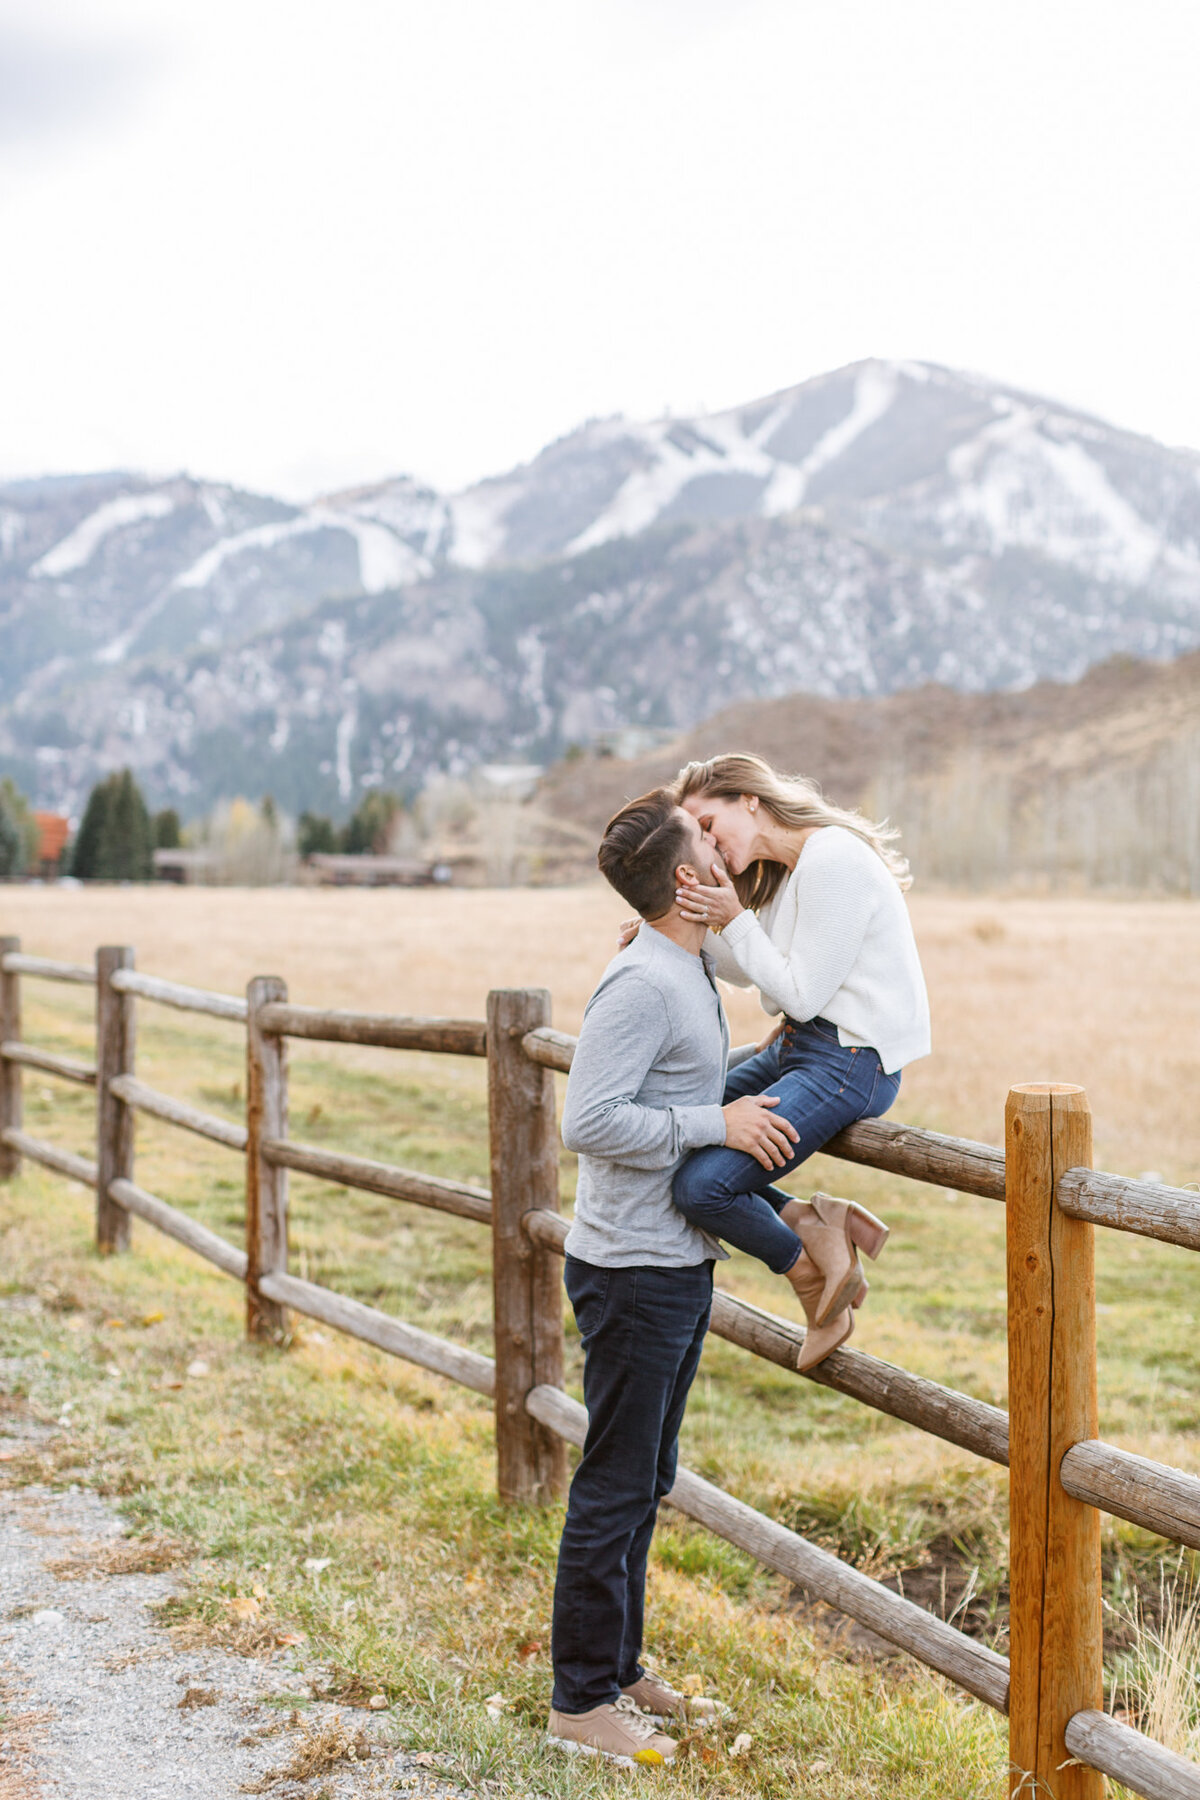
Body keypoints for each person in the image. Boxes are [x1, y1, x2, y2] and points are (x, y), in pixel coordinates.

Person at [547, 785, 857, 1765]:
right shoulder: (643, 983)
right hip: (632, 1269)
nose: (728, 850)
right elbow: (588, 1122)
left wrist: (768, 1073)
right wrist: (712, 1126)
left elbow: (669, 1090)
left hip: (671, 1262)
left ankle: (622, 1669)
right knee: (613, 1484)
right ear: (690, 880)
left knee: (648, 1476)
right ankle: (578, 1705)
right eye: (710, 842)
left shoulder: (687, 971)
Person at [660, 753, 930, 1367]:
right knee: (680, 1118)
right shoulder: (790, 869)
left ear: (748, 799)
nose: (706, 843)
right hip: (801, 1047)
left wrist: (731, 920)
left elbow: (795, 993)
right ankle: (815, 1219)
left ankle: (810, 1277)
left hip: (851, 1062)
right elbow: (770, 978)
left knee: (701, 1188)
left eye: (707, 822)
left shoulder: (833, 859)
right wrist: (680, 931)